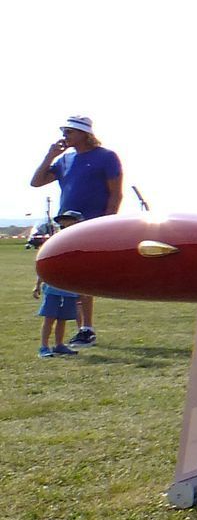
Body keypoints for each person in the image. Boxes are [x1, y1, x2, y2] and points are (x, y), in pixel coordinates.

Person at [29, 116, 121, 347]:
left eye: (69, 131)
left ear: (84, 133)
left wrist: (106, 224)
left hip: (92, 223)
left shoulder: (106, 157)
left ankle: (86, 328)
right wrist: (51, 156)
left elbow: (115, 193)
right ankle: (80, 328)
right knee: (71, 276)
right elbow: (36, 182)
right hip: (67, 224)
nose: (65, 135)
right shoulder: (65, 160)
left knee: (84, 277)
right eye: (64, 131)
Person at [35, 211, 84, 357]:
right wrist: (37, 284)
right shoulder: (56, 240)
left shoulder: (81, 241)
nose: (66, 223)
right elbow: (44, 263)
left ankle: (59, 345)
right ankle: (44, 347)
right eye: (64, 220)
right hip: (53, 287)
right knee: (49, 318)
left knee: (63, 319)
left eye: (70, 220)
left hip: (69, 289)